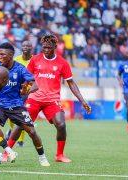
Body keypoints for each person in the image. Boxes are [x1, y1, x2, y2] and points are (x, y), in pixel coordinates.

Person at [12, 34, 91, 163]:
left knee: (61, 124)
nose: (46, 50)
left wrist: (82, 101)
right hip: (34, 99)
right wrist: (22, 91)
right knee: (21, 124)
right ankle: (7, 152)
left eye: (49, 47)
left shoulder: (62, 63)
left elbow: (71, 83)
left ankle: (59, 155)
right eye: (44, 47)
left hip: (52, 100)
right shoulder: (35, 59)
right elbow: (26, 78)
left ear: (55, 47)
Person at [0, 42, 50, 166]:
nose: (0, 57)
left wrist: (27, 90)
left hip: (16, 105)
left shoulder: (20, 69)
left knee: (31, 132)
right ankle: (8, 150)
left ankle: (42, 157)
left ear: (11, 55)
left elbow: (35, 84)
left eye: (2, 54)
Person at [6, 40, 33, 147]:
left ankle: (20, 140)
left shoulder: (35, 60)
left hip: (30, 92)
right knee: (12, 115)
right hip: (17, 92)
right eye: (24, 45)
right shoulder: (16, 60)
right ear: (21, 47)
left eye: (28, 45)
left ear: (32, 47)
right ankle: (14, 134)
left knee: (23, 116)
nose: (25, 47)